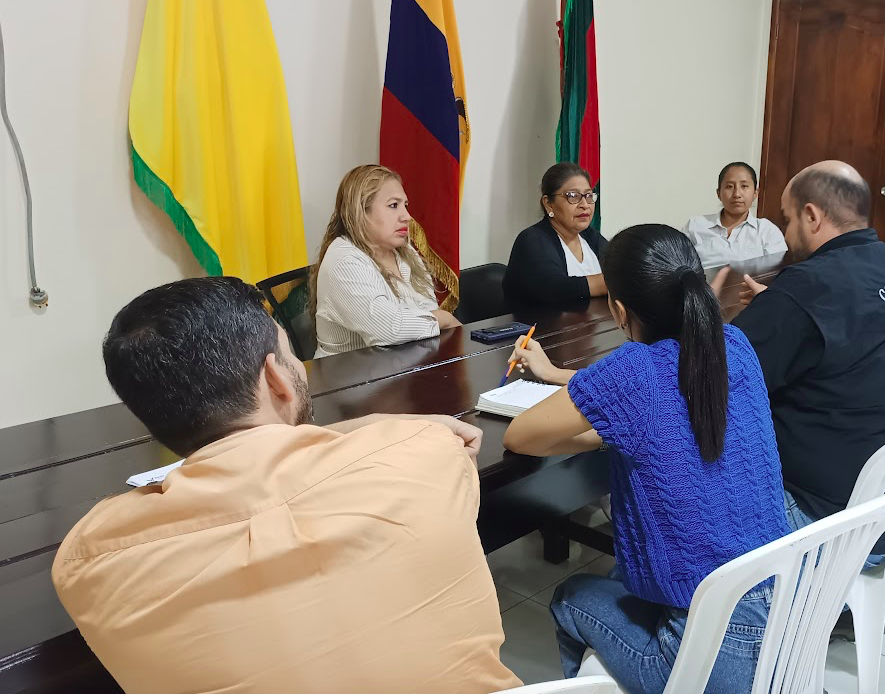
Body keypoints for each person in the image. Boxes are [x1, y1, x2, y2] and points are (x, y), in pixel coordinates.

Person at [52, 277, 520, 694]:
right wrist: (378, 425)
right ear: (276, 377)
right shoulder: (425, 452)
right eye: (291, 354)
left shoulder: (87, 559)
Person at [503, 225, 790, 693]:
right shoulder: (732, 344)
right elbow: (669, 398)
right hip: (784, 611)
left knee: (571, 595)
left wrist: (605, 436)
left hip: (713, 656)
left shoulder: (633, 369)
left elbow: (520, 436)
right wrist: (581, 396)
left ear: (618, 309)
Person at [731, 160, 885, 563]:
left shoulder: (805, 287)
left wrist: (781, 310)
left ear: (811, 215)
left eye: (788, 218)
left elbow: (715, 379)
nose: (787, 232)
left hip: (824, 518)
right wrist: (780, 312)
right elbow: (848, 324)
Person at [310, 164, 461, 358]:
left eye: (405, 205)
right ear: (360, 212)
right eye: (393, 205)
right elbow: (389, 329)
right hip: (353, 375)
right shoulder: (343, 260)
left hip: (405, 366)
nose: (407, 217)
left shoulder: (404, 251)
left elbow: (426, 312)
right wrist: (444, 318)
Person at [503, 162, 608, 309]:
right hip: (541, 323)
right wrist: (612, 282)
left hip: (591, 321)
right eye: (573, 196)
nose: (585, 204)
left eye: (589, 195)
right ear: (548, 204)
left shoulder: (589, 236)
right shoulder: (532, 240)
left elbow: (621, 267)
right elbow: (557, 288)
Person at [682, 161, 787, 268]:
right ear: (718, 193)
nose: (737, 194)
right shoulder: (695, 225)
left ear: (755, 193)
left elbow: (777, 270)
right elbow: (677, 264)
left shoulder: (767, 231)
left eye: (744, 186)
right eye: (729, 186)